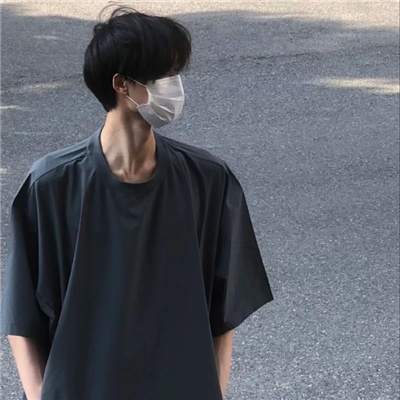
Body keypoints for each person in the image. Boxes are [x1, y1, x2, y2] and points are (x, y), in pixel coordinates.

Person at [0, 5, 274, 400]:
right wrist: (40, 394)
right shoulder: (51, 186)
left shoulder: (208, 180)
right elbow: (22, 316)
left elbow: (223, 312)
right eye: (165, 74)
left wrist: (215, 390)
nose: (175, 86)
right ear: (122, 84)